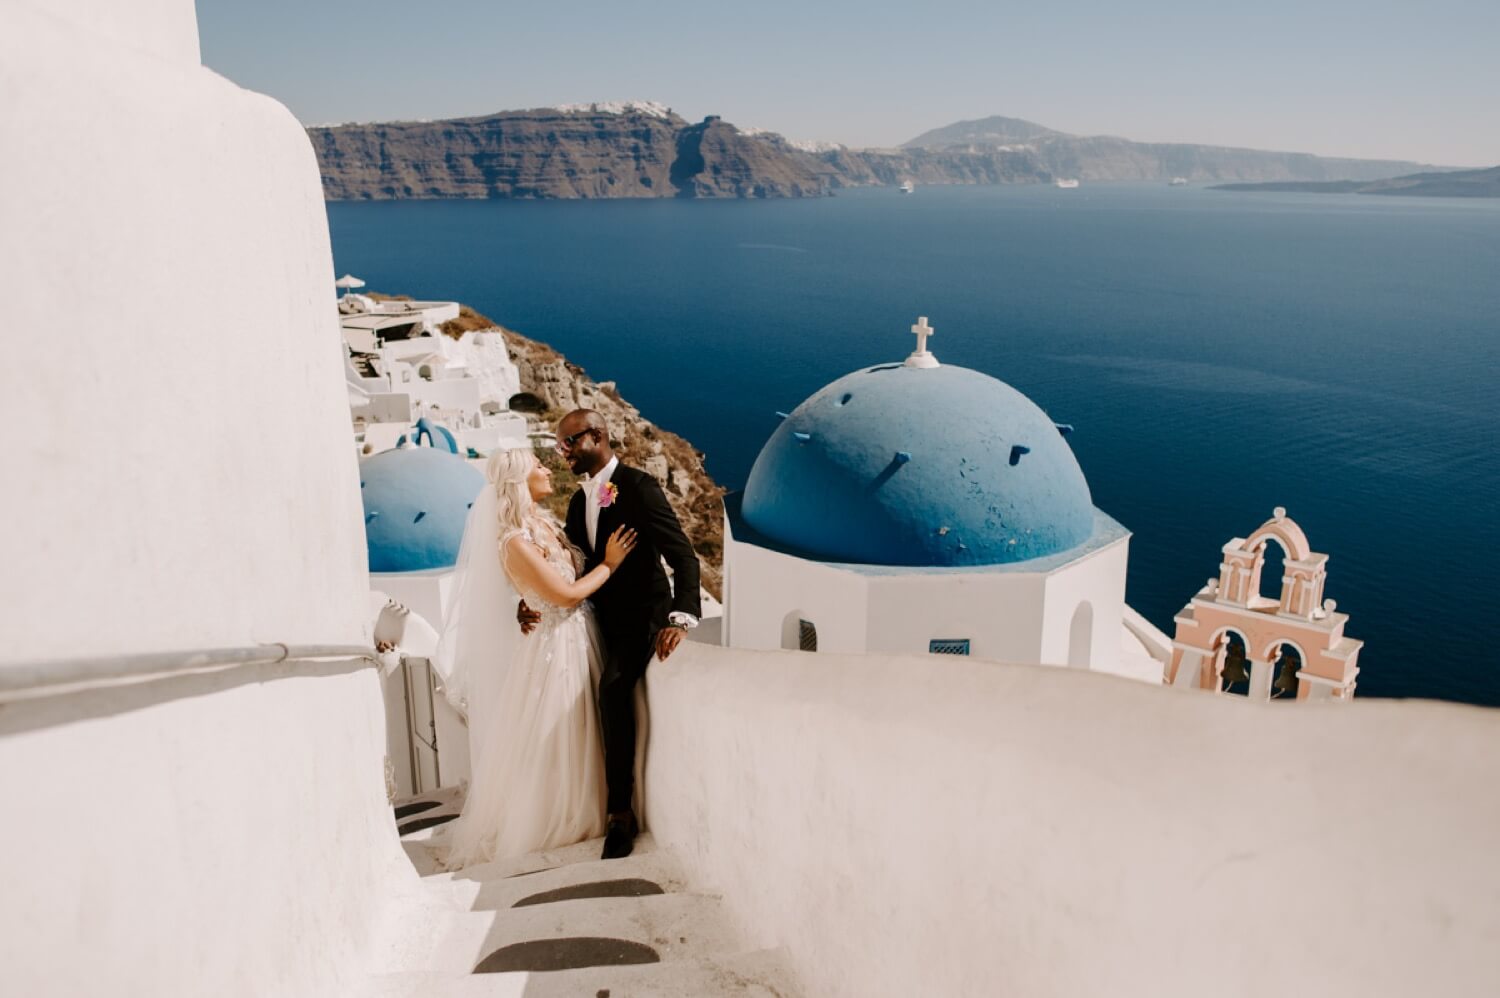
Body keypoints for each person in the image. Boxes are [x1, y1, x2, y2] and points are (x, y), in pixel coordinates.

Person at [436, 447, 636, 869]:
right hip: (556, 647)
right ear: (520, 480)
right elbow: (563, 593)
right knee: (557, 733)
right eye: (538, 466)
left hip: (578, 636)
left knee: (579, 728)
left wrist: (528, 602)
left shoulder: (542, 524)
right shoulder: (513, 542)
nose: (547, 469)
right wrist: (611, 565)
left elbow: (544, 587)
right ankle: (559, 817)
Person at [519, 409, 701, 860]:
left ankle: (620, 814)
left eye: (568, 443)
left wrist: (679, 619)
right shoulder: (580, 502)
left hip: (643, 617)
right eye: (559, 446)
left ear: (596, 437)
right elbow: (573, 564)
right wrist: (533, 598)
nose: (561, 453)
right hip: (598, 617)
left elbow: (684, 557)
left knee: (614, 691)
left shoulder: (639, 487)